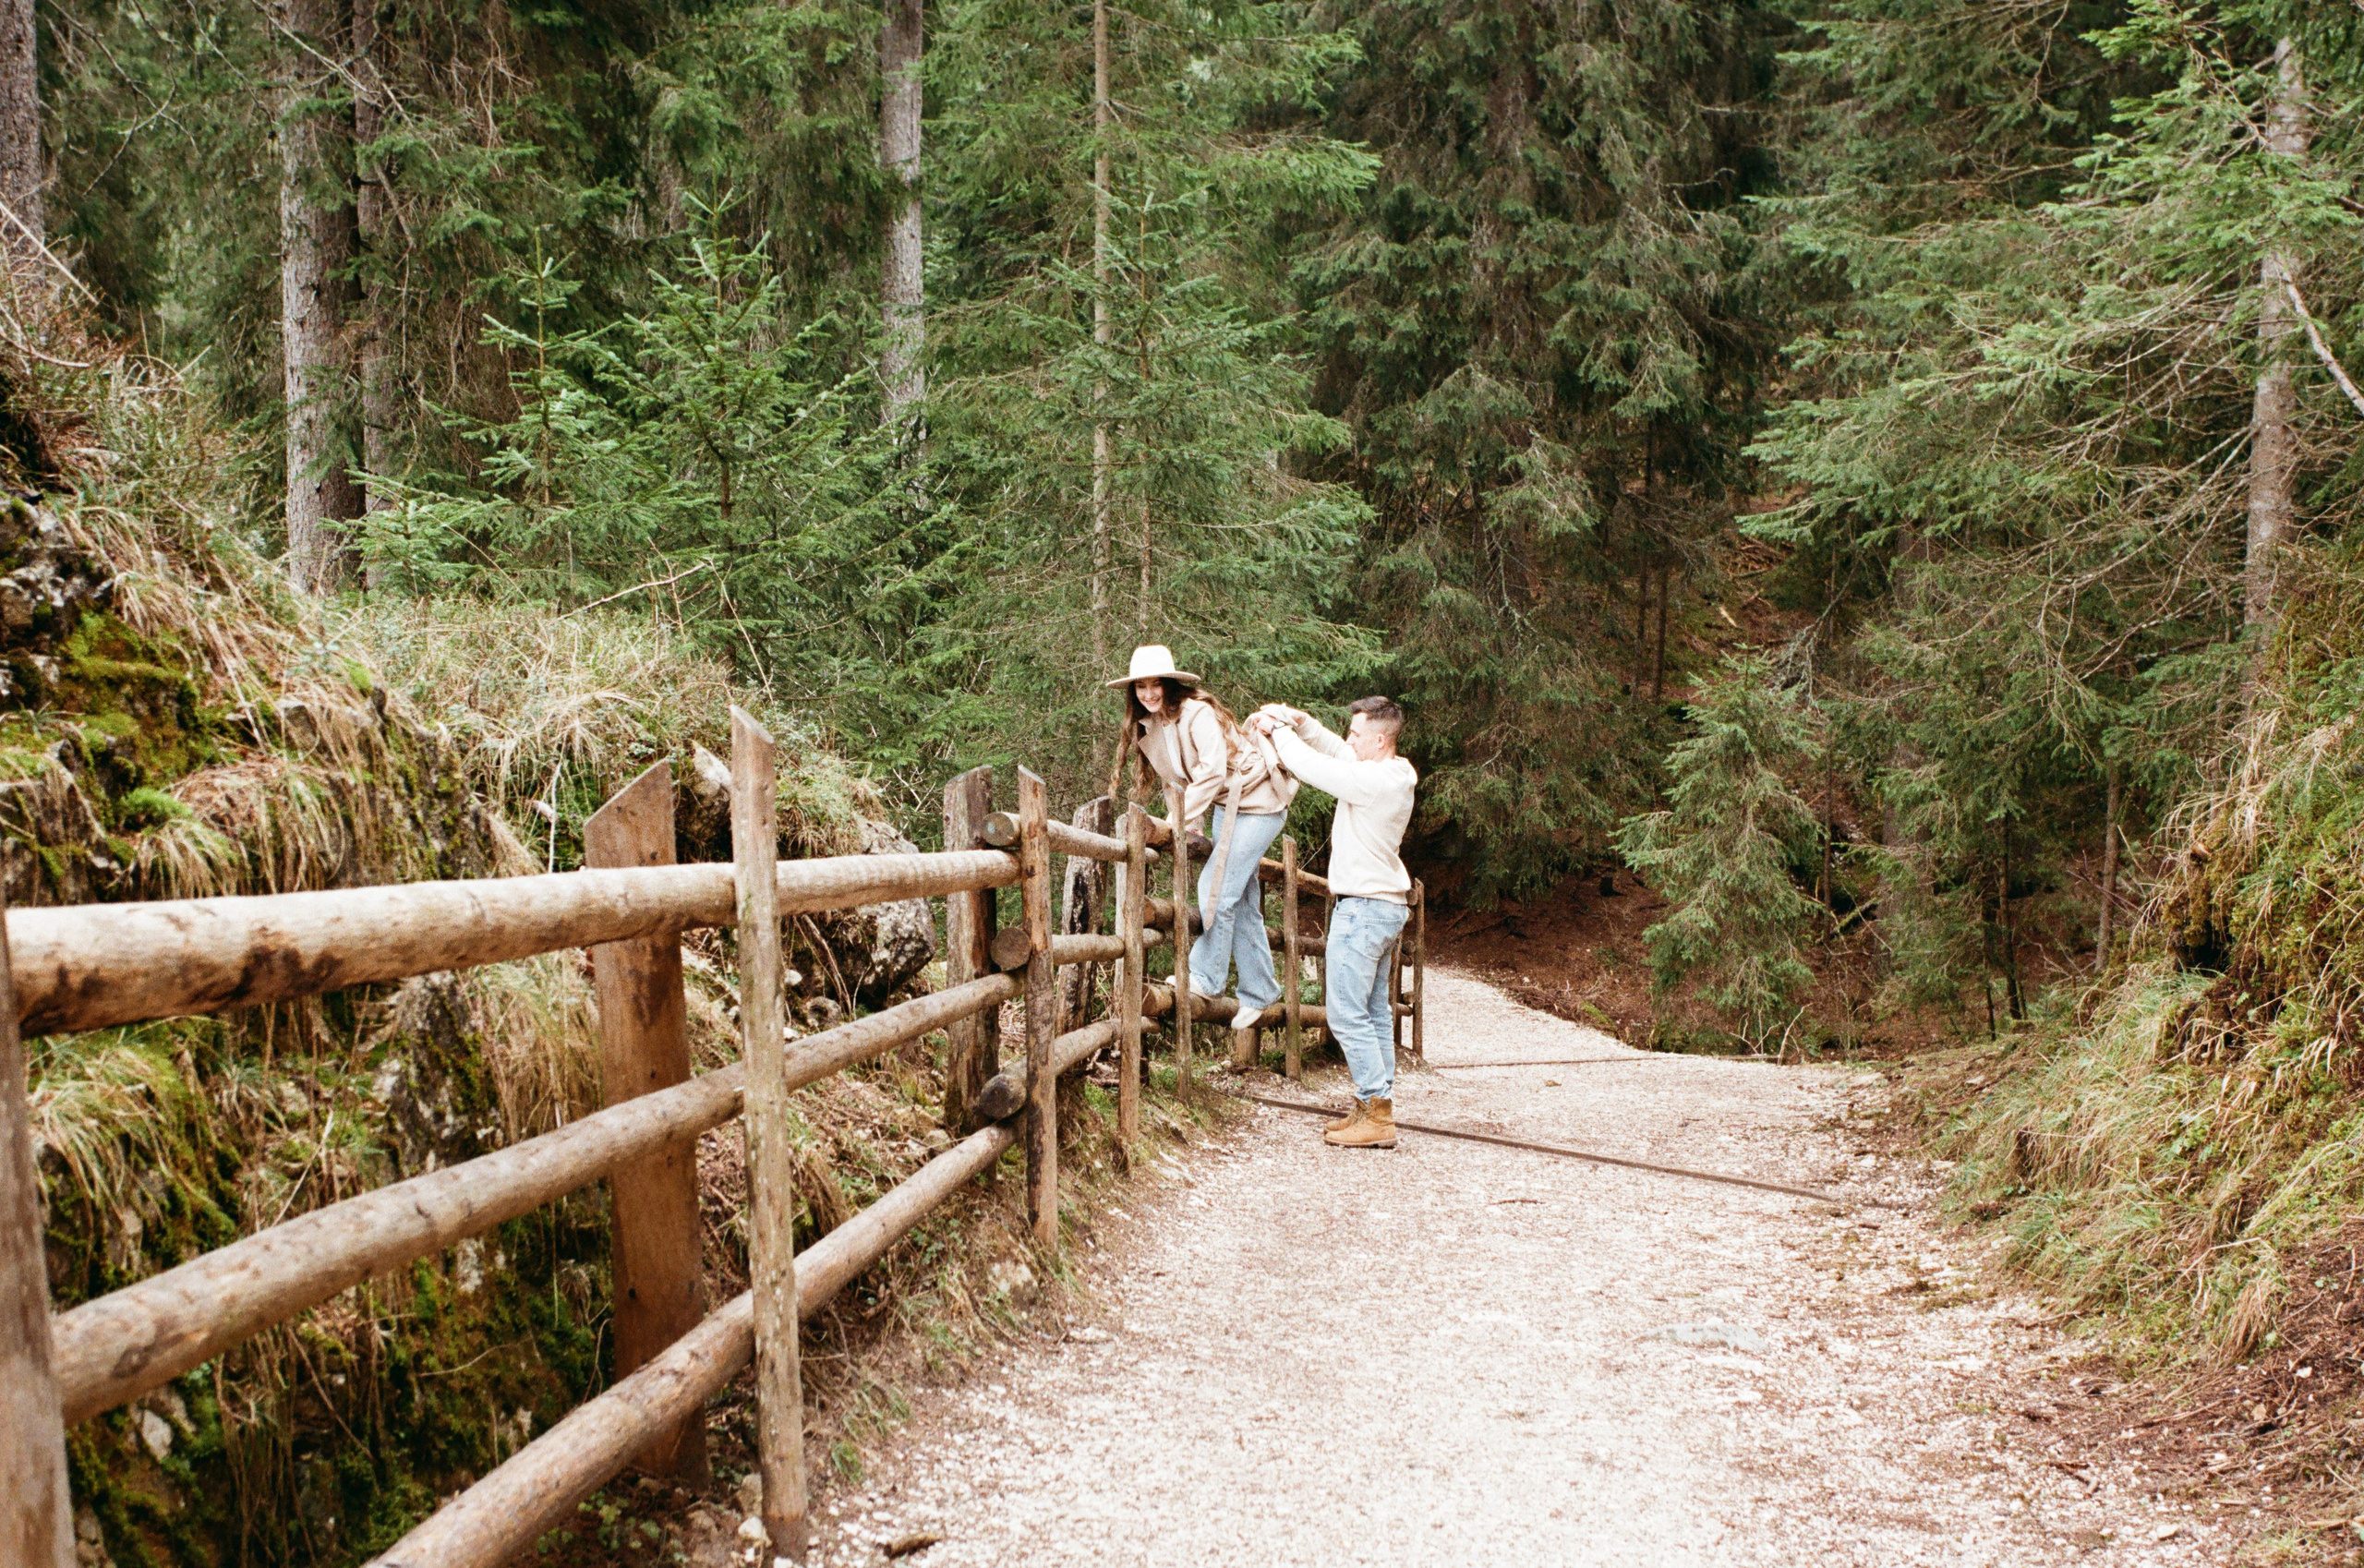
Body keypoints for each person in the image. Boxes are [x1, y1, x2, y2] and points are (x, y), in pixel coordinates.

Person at [1248, 696, 1417, 1149]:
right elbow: (1332, 750)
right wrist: (1299, 721)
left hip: (1363, 908)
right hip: (1381, 906)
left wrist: (1275, 728)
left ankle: (1376, 1113)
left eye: (1357, 733)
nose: (1349, 739)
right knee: (1374, 1013)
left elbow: (1311, 766)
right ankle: (1374, 1105)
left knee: (1345, 1013)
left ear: (1379, 740)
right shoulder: (1388, 771)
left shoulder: (1373, 781)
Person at [1105, 645, 1298, 1033]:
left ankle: (1207, 980)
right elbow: (1172, 779)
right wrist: (1189, 821)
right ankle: (1261, 989)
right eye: (1140, 687)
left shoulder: (1197, 712)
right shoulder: (1151, 724)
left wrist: (1177, 818)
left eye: (1155, 684)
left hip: (1260, 801)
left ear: (1170, 684)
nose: (1148, 694)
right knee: (1239, 899)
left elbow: (1210, 773)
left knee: (1214, 886)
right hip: (1229, 807)